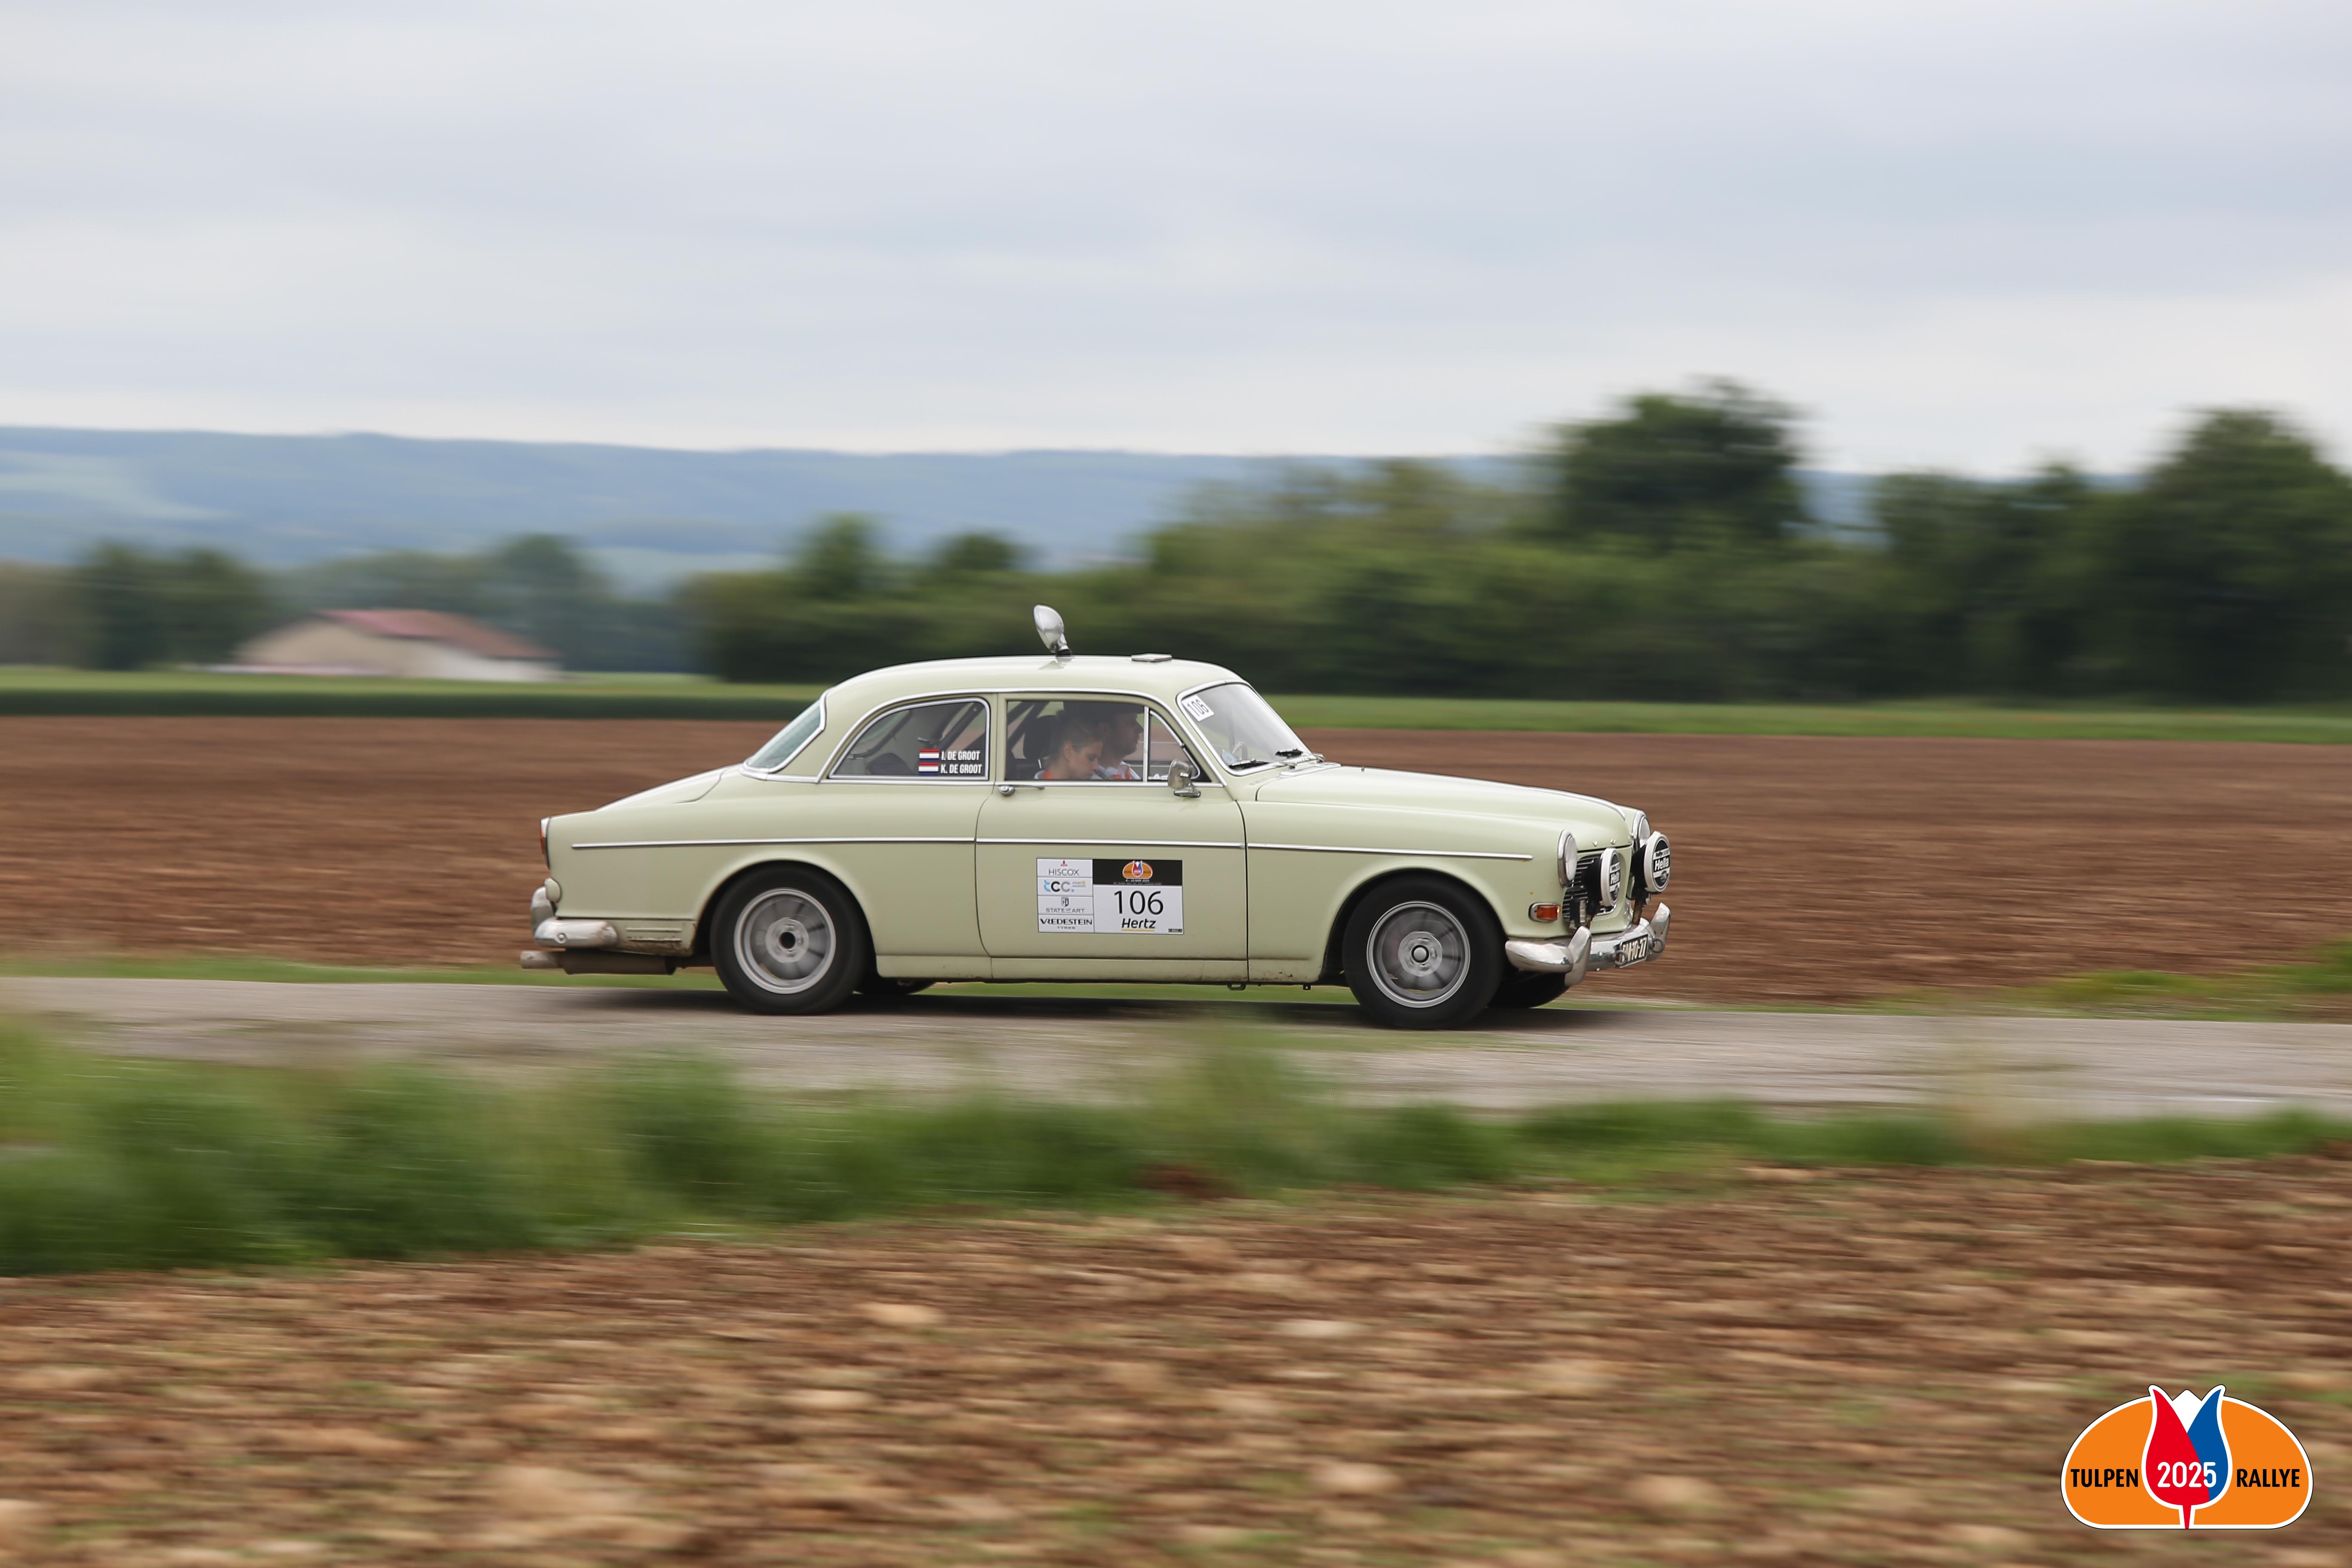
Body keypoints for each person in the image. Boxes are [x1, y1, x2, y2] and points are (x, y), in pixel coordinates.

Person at [1029, 712, 1103, 781]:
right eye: (1091, 758)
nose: (1096, 767)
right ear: (1068, 752)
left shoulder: (1098, 785)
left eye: (1098, 760)